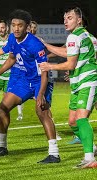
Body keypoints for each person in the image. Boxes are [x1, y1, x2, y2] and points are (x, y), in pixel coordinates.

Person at [0, 9, 60, 163]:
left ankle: (54, 154)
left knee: (42, 112)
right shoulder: (12, 38)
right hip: (23, 81)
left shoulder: (35, 44)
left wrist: (40, 94)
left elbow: (44, 71)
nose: (16, 28)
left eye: (20, 25)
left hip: (40, 80)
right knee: (3, 108)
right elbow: (12, 57)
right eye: (13, 25)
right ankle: (2, 147)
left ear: (27, 27)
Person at [39, 7, 97, 168]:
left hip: (88, 81)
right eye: (64, 18)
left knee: (80, 118)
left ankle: (90, 158)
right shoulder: (88, 36)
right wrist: (46, 45)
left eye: (70, 18)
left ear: (79, 20)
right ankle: (91, 147)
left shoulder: (74, 37)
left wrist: (50, 66)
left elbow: (70, 62)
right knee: (72, 122)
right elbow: (67, 53)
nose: (65, 21)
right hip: (79, 82)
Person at [28, 20, 62, 141]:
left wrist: (47, 57)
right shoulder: (23, 42)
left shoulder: (39, 41)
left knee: (44, 106)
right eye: (30, 28)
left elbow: (48, 53)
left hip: (43, 77)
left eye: (34, 28)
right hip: (30, 79)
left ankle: (54, 133)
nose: (32, 30)